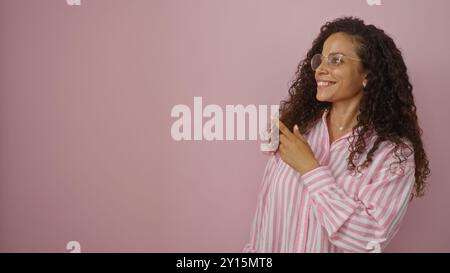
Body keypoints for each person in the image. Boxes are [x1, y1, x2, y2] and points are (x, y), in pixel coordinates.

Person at [243, 16, 430, 253]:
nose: (321, 69)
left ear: (367, 75)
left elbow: (368, 240)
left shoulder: (393, 153)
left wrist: (310, 169)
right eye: (321, 60)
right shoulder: (295, 130)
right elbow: (264, 220)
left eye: (337, 60)